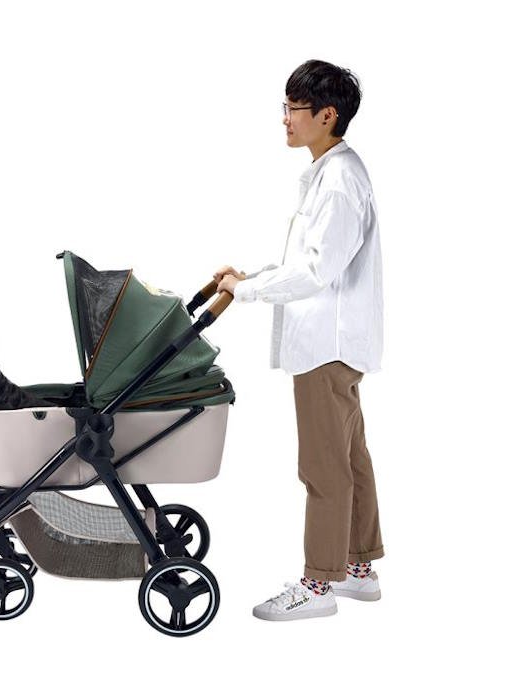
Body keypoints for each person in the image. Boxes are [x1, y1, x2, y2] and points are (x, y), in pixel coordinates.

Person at [215, 59, 384, 621]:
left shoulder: (338, 182)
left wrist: (247, 292)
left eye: (293, 108)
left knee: (323, 468)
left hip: (325, 346)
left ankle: (319, 584)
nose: (285, 118)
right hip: (335, 343)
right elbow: (308, 262)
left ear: (327, 115)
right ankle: (357, 568)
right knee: (350, 458)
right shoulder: (332, 173)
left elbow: (315, 272)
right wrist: (250, 279)